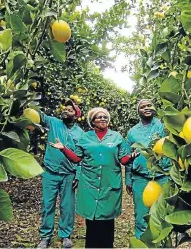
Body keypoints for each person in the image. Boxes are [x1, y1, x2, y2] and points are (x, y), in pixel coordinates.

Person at [50, 107, 140, 248]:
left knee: (107, 223)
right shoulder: (85, 137)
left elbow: (122, 160)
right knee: (92, 224)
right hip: (89, 185)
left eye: (105, 117)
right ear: (92, 121)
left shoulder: (116, 137)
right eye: (99, 117)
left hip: (109, 184)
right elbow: (76, 159)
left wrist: (131, 157)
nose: (103, 119)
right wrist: (63, 149)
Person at [37, 100, 84, 249]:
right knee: (47, 204)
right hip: (50, 172)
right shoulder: (53, 122)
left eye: (70, 110)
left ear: (76, 116)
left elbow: (82, 156)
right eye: (66, 108)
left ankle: (65, 235)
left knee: (67, 206)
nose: (65, 111)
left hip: (69, 174)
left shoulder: (80, 133)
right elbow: (38, 115)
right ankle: (45, 236)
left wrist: (78, 174)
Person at [125, 99, 171, 239]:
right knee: (141, 215)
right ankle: (142, 242)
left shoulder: (164, 126)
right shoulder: (132, 132)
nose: (147, 108)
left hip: (162, 176)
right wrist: (128, 179)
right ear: (138, 111)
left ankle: (162, 243)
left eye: (149, 105)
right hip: (140, 179)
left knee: (163, 214)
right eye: (143, 107)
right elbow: (128, 158)